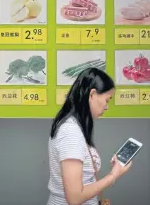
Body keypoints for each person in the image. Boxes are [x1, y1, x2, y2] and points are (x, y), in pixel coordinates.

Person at [47, 67, 132, 205]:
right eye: (107, 100)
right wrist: (114, 175)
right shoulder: (70, 132)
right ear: (92, 94)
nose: (107, 107)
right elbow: (74, 198)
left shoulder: (74, 126)